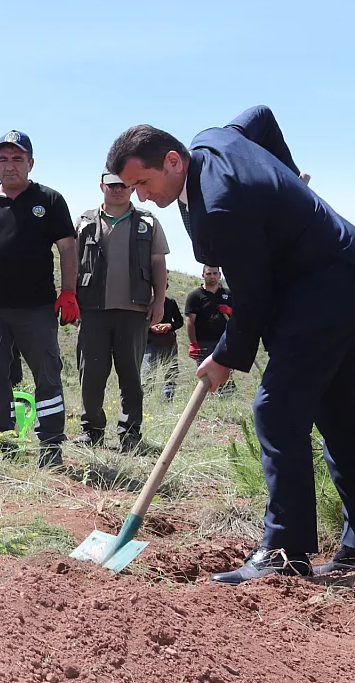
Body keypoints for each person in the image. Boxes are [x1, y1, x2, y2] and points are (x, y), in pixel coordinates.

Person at [108, 105, 354, 584]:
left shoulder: (221, 206)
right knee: (340, 415)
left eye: (142, 183)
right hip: (341, 269)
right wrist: (291, 179)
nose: (139, 195)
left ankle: (285, 552)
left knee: (277, 410)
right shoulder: (213, 138)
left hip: (320, 286)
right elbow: (260, 116)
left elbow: (254, 297)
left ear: (174, 161)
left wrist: (225, 357)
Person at [0, 131, 78, 468]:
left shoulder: (50, 200)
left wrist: (69, 292)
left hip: (36, 308)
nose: (9, 166)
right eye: (3, 159)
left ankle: (50, 446)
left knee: (47, 374)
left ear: (30, 163)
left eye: (17, 158)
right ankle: (3, 444)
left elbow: (68, 247)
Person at [71, 169, 169, 451]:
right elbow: (72, 263)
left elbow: (158, 264)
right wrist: (71, 301)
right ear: (102, 186)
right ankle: (92, 431)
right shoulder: (84, 222)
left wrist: (159, 299)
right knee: (91, 374)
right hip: (92, 310)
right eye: (113, 185)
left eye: (124, 185)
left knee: (131, 377)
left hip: (134, 312)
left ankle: (130, 435)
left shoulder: (148, 223)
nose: (118, 190)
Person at [184, 265, 232, 364]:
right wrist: (193, 343)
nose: (212, 276)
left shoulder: (229, 294)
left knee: (226, 376)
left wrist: (230, 310)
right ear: (203, 275)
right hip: (204, 343)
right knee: (205, 375)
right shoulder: (195, 296)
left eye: (215, 273)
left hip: (225, 341)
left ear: (219, 275)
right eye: (209, 274)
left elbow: (239, 315)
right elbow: (190, 322)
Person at [142, 289, 183, 401]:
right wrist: (151, 327)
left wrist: (169, 326)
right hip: (150, 344)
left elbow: (179, 322)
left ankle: (168, 399)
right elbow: (137, 322)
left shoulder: (170, 302)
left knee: (171, 372)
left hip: (168, 343)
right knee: (148, 373)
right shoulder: (144, 301)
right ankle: (146, 400)